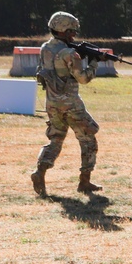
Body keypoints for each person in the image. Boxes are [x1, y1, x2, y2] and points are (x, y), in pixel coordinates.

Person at [30, 11, 102, 197]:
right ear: (62, 30)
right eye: (71, 31)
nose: (73, 35)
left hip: (52, 104)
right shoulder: (70, 53)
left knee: (55, 140)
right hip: (71, 105)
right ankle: (84, 182)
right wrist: (94, 63)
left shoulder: (45, 48)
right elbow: (84, 78)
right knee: (89, 140)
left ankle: (40, 172)